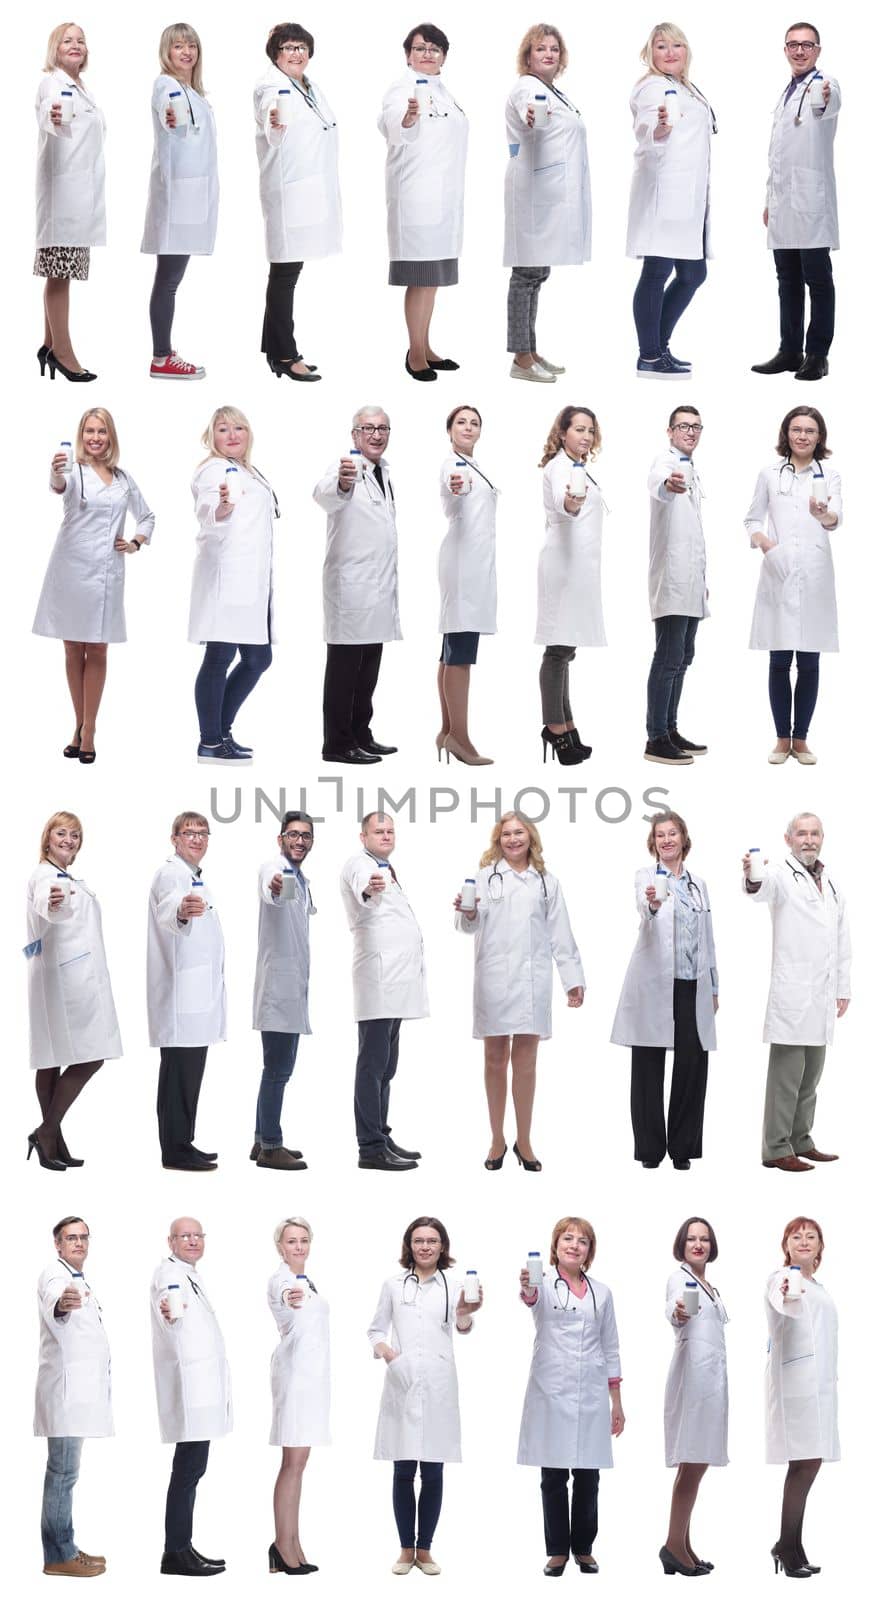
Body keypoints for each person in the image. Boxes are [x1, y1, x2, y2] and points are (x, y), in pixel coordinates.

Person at [454, 811, 584, 1172]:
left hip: (531, 980)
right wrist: (466, 913)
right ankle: (497, 1138)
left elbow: (561, 932)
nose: (513, 839)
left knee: (526, 1063)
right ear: (498, 839)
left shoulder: (546, 882)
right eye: (506, 834)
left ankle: (523, 1140)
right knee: (495, 1060)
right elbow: (468, 925)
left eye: (519, 833)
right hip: (494, 978)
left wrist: (572, 979)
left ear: (531, 838)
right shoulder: (484, 877)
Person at [32, 409, 154, 764]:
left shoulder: (124, 479)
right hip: (70, 569)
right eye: (89, 431)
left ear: (111, 436)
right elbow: (59, 487)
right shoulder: (74, 472)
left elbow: (147, 515)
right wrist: (56, 470)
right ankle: (78, 724)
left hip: (106, 573)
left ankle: (91, 728)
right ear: (81, 435)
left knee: (98, 650)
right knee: (73, 650)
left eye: (101, 431)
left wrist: (135, 542)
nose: (95, 437)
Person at [368, 1216, 483, 1575]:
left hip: (438, 1385)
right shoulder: (392, 1285)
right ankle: (405, 1551)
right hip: (403, 1384)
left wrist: (465, 1313)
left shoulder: (453, 1285)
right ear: (409, 1245)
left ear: (443, 1246)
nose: (426, 1246)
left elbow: (461, 1328)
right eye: (419, 1240)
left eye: (433, 1241)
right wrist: (389, 1354)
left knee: (433, 1471)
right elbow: (375, 1329)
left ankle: (426, 1550)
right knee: (403, 1470)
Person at [611, 812, 718, 1170]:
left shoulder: (698, 884)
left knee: (692, 1064)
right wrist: (654, 902)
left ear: (684, 838)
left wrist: (714, 985)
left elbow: (708, 938)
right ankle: (650, 1151)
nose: (667, 840)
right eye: (660, 836)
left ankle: (683, 1148)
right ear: (653, 843)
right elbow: (646, 908)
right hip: (655, 983)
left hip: (692, 983)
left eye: (672, 834)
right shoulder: (646, 876)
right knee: (647, 1067)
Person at [743, 813, 850, 1171]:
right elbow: (759, 889)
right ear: (788, 839)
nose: (808, 840)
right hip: (793, 996)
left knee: (811, 1077)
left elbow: (841, 939)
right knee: (786, 1079)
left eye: (814, 833)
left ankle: (801, 1139)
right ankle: (775, 1147)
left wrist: (843, 986)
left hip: (821, 996)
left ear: (823, 837)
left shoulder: (829, 881)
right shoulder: (780, 876)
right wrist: (751, 875)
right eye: (801, 834)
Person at [518, 1216, 624, 1575]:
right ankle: (557, 1551)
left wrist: (617, 1402)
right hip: (552, 1390)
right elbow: (530, 1298)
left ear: (589, 1251)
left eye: (582, 1241)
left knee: (588, 1476)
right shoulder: (543, 1283)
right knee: (553, 1475)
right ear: (555, 1245)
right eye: (568, 1238)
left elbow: (611, 1346)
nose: (574, 1245)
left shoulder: (602, 1293)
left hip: (592, 1391)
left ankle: (583, 1548)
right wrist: (528, 1288)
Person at [745, 406, 841, 766]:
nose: (802, 436)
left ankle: (801, 741)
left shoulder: (829, 476)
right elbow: (752, 518)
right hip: (779, 572)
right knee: (780, 659)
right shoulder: (769, 474)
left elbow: (836, 518)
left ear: (820, 437)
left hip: (815, 573)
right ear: (786, 434)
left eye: (810, 431)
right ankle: (780, 739)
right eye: (796, 429)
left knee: (810, 660)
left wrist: (824, 515)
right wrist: (768, 545)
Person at [26, 812, 121, 1170]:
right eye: (61, 832)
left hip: (67, 975)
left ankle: (53, 1135)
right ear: (47, 836)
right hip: (65, 979)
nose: (68, 839)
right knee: (88, 1055)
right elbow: (48, 904)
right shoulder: (45, 877)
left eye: (75, 834)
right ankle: (48, 1131)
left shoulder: (66, 876)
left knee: (53, 1057)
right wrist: (52, 904)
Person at [378, 23, 467, 380]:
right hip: (417, 198)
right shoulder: (401, 88)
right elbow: (391, 122)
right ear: (407, 54)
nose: (427, 54)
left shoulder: (444, 91)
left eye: (434, 48)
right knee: (420, 278)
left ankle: (426, 346)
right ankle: (415, 353)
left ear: (444, 55)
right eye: (420, 48)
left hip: (444, 201)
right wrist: (407, 118)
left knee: (432, 281)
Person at [752, 23, 840, 382]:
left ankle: (817, 354)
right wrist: (770, 198)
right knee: (786, 276)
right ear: (785, 49)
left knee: (817, 278)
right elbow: (779, 153)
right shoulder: (785, 93)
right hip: (784, 202)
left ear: (818, 50)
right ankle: (790, 350)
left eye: (807, 45)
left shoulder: (825, 85)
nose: (799, 51)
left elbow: (828, 104)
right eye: (793, 45)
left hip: (811, 201)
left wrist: (825, 93)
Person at [189, 406, 278, 764]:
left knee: (258, 658)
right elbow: (210, 507)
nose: (232, 434)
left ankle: (221, 731)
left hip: (252, 580)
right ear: (212, 436)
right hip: (227, 577)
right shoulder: (213, 469)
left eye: (239, 427)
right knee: (219, 657)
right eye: (223, 429)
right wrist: (222, 507)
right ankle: (210, 740)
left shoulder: (249, 470)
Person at [340, 813, 427, 1170]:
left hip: (396, 982)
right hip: (379, 979)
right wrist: (371, 887)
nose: (386, 835)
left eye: (391, 830)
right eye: (379, 831)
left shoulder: (386, 866)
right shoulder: (361, 865)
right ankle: (370, 1147)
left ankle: (382, 1134)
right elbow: (365, 886)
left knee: (386, 1067)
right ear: (363, 835)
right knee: (372, 1065)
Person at [626, 23, 714, 379]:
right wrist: (660, 126)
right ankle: (649, 355)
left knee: (693, 273)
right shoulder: (652, 87)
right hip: (664, 192)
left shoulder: (684, 87)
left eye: (677, 44)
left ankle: (658, 347)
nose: (670, 52)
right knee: (657, 271)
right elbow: (650, 125)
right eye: (661, 46)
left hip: (688, 195)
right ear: (651, 53)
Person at [254, 22, 340, 381]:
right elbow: (271, 117)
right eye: (289, 47)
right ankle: (287, 355)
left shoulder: (309, 86)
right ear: (276, 53)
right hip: (289, 192)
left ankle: (274, 350)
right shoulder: (270, 86)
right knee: (285, 274)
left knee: (286, 272)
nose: (296, 53)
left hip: (309, 192)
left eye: (302, 47)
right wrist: (274, 121)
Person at [504, 23, 589, 382]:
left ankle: (531, 350)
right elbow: (532, 115)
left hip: (550, 191)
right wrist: (531, 117)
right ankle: (521, 359)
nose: (549, 54)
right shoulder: (528, 88)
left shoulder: (553, 90)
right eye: (541, 49)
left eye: (554, 49)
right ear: (528, 55)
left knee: (537, 273)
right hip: (535, 190)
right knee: (526, 274)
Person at [314, 407, 400, 764]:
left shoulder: (383, 471)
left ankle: (361, 734)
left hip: (378, 587)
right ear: (354, 435)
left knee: (368, 669)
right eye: (368, 428)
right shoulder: (344, 467)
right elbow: (323, 494)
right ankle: (337, 743)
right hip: (351, 587)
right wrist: (344, 482)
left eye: (382, 428)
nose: (376, 435)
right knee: (344, 670)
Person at [151, 1219, 231, 1578]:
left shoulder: (188, 1272)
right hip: (190, 1388)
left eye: (199, 1235)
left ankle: (182, 1546)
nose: (193, 1240)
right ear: (170, 1241)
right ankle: (176, 1553)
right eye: (185, 1236)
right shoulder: (168, 1273)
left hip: (203, 1389)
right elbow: (171, 1308)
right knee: (186, 1472)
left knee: (192, 1471)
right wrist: (171, 1311)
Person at [147, 811, 226, 1171]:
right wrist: (181, 909)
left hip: (194, 996)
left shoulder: (192, 875)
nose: (197, 839)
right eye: (189, 833)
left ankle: (182, 1142)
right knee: (180, 1076)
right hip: (183, 997)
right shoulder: (171, 874)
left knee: (186, 1075)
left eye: (202, 833)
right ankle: (176, 1149)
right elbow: (169, 906)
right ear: (174, 839)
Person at [34, 1216, 111, 1578]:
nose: (78, 1243)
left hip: (76, 1396)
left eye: (83, 1237)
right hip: (65, 1396)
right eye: (70, 1238)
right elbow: (56, 1302)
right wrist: (63, 1303)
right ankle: (58, 1554)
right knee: (62, 1473)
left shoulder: (77, 1278)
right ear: (58, 1244)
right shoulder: (55, 1276)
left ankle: (65, 1546)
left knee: (66, 1473)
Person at [141, 22, 217, 379]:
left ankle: (163, 354)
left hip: (191, 196)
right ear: (166, 53)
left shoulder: (192, 90)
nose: (186, 52)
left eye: (191, 46)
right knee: (168, 281)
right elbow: (169, 115)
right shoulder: (166, 86)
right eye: (178, 47)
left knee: (170, 280)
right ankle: (161, 358)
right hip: (177, 198)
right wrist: (172, 119)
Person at [765, 1216, 838, 1577]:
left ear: (821, 1247)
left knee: (811, 1461)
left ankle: (792, 1545)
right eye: (797, 1236)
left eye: (812, 1236)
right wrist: (785, 1293)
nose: (805, 1241)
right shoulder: (783, 1278)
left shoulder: (818, 1286)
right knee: (804, 1462)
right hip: (796, 1385)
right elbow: (784, 1302)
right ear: (787, 1245)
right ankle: (785, 1547)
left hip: (819, 1386)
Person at [535, 406, 607, 764]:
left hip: (578, 568)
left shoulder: (579, 467)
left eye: (590, 431)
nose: (585, 436)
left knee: (565, 651)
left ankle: (567, 724)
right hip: (563, 567)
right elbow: (566, 506)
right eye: (579, 429)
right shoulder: (560, 467)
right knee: (557, 651)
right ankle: (555, 729)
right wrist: (571, 502)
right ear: (562, 433)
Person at [34, 22, 104, 381]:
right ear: (55, 49)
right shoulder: (52, 83)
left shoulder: (81, 86)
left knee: (61, 274)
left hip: (78, 199)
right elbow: (50, 112)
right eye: (67, 40)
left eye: (81, 40)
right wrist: (54, 116)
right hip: (63, 199)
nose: (76, 45)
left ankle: (49, 345)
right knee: (59, 275)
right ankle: (63, 353)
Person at [659, 1217, 727, 1576]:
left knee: (695, 1464)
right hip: (694, 1379)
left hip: (710, 1381)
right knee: (692, 1462)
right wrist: (678, 1311)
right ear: (681, 1245)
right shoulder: (680, 1277)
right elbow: (674, 1307)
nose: (698, 1244)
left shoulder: (708, 1283)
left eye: (704, 1239)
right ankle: (673, 1546)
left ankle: (683, 1544)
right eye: (691, 1239)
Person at [644, 406, 709, 765]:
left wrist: (702, 580)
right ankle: (655, 737)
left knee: (683, 658)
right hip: (671, 579)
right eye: (684, 426)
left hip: (691, 582)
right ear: (669, 431)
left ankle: (669, 729)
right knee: (668, 658)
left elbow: (693, 532)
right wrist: (669, 484)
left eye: (697, 427)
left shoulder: (692, 467)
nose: (691, 431)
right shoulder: (665, 462)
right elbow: (659, 485)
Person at [251, 812, 316, 1171]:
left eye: (306, 836)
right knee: (277, 1069)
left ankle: (261, 1138)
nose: (300, 841)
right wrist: (275, 887)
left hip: (290, 989)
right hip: (279, 990)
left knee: (275, 1068)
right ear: (280, 839)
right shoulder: (273, 868)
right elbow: (271, 889)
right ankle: (271, 1146)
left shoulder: (301, 877)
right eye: (293, 835)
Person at [267, 1217, 329, 1574]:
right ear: (280, 1246)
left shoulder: (306, 1281)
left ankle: (293, 1541)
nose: (299, 1247)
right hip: (295, 1380)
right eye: (291, 1241)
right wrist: (290, 1297)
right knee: (291, 1465)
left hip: (311, 1381)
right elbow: (286, 1298)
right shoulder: (282, 1280)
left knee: (299, 1464)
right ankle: (282, 1545)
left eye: (304, 1240)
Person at [436, 405, 497, 765]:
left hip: (470, 566)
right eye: (461, 422)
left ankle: (446, 731)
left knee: (450, 650)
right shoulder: (454, 466)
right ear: (449, 429)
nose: (469, 427)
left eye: (475, 422)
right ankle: (460, 737)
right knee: (460, 651)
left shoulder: (472, 464)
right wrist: (458, 486)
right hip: (464, 568)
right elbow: (455, 485)